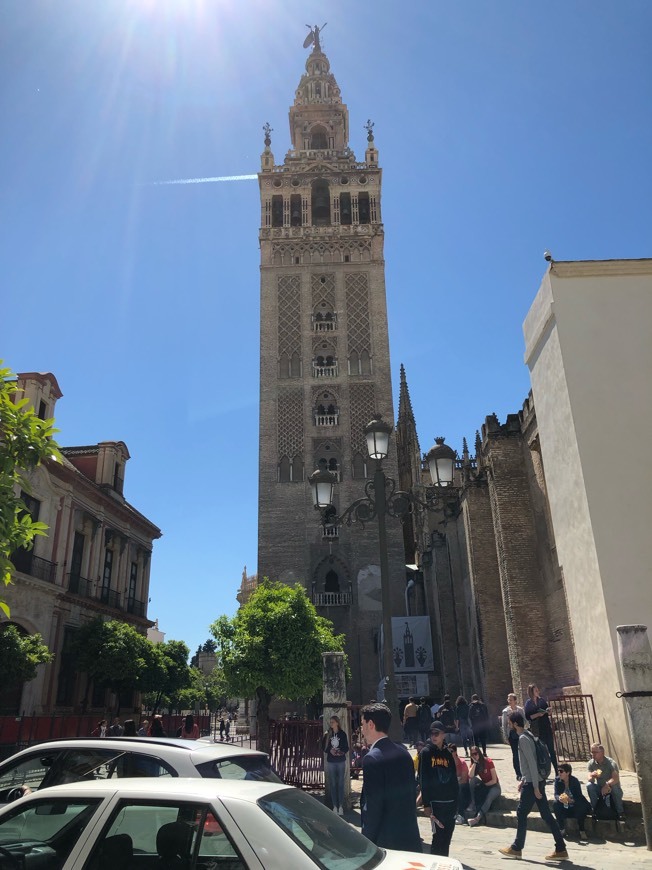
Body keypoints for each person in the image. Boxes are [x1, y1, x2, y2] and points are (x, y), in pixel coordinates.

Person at [498, 712, 567, 861]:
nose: (509, 725)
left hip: (533, 784)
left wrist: (534, 786)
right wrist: (524, 779)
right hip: (532, 781)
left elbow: (531, 763)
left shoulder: (523, 739)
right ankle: (561, 848)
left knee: (521, 813)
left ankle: (516, 848)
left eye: (510, 723)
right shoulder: (529, 735)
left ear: (515, 724)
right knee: (546, 816)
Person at [359, 702, 422, 852]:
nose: (361, 730)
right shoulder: (404, 753)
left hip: (385, 841)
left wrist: (366, 843)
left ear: (371, 724)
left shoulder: (371, 759)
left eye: (362, 724)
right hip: (409, 835)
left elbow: (373, 806)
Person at [418, 721, 459, 856]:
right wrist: (426, 804)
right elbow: (423, 779)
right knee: (438, 837)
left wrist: (457, 801)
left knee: (447, 838)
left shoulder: (448, 753)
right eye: (431, 733)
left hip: (450, 802)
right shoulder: (426, 752)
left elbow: (453, 777)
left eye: (437, 733)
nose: (434, 736)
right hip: (436, 804)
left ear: (443, 735)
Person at [524, 683, 558, 775]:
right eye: (535, 690)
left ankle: (557, 771)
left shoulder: (542, 700)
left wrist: (549, 711)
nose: (537, 691)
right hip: (537, 730)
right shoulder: (528, 703)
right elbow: (528, 716)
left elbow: (548, 712)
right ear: (531, 692)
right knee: (541, 752)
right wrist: (538, 714)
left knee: (551, 750)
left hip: (546, 728)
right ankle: (542, 771)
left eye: (537, 690)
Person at [587, 743, 625, 820]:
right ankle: (595, 810)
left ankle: (620, 812)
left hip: (611, 787)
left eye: (595, 752)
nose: (593, 754)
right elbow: (589, 778)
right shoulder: (591, 763)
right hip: (600, 788)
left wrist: (607, 785)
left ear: (602, 752)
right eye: (592, 752)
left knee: (614, 787)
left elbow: (615, 778)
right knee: (589, 786)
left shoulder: (611, 763)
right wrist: (592, 775)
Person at [553, 763, 591, 839]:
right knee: (555, 804)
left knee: (580, 805)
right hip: (565, 806)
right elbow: (556, 794)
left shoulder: (574, 781)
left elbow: (579, 796)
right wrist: (559, 798)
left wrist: (572, 800)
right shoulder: (557, 780)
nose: (559, 773)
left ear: (567, 773)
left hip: (574, 806)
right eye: (558, 771)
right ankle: (562, 829)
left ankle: (582, 830)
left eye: (561, 771)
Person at [467, 746, 501, 826]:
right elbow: (470, 776)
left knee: (489, 797)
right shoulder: (474, 763)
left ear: (479, 753)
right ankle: (473, 803)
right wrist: (475, 763)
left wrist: (485, 785)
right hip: (485, 784)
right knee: (472, 780)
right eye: (472, 755)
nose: (474, 756)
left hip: (494, 786)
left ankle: (477, 818)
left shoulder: (488, 762)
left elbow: (494, 780)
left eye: (476, 753)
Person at [322, 715, 349, 815]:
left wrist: (339, 752)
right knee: (333, 784)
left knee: (340, 784)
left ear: (337, 723)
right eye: (330, 722)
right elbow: (323, 747)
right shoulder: (328, 734)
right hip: (331, 761)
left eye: (333, 722)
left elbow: (346, 748)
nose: (331, 724)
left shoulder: (342, 734)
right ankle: (334, 806)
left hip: (341, 761)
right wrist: (330, 750)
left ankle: (340, 806)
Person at [501, 693, 524, 778]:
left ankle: (524, 770)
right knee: (515, 754)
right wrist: (505, 736)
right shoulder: (505, 712)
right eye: (508, 700)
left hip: (520, 733)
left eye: (511, 700)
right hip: (512, 734)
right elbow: (504, 725)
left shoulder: (520, 710)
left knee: (522, 752)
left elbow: (524, 720)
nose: (509, 701)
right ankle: (518, 773)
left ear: (515, 701)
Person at [448, 743, 470, 825]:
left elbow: (464, 780)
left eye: (451, 751)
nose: (449, 753)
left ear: (455, 752)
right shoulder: (448, 764)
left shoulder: (462, 762)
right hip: (454, 785)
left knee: (459, 790)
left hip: (464, 785)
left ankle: (461, 815)